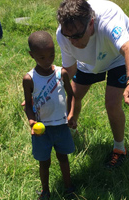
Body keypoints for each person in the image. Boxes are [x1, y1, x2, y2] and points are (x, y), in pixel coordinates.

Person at [56, 0, 129, 169]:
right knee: (73, 95)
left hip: (117, 56)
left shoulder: (108, 21)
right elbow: (69, 69)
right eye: (68, 37)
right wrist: (47, 89)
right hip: (89, 60)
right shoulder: (64, 34)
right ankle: (71, 131)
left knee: (112, 104)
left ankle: (120, 150)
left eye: (76, 36)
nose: (72, 42)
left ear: (91, 23)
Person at [23, 31, 77, 199]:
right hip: (42, 130)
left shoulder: (62, 73)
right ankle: (45, 191)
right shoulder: (29, 79)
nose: (48, 61)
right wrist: (32, 121)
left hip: (61, 126)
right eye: (42, 57)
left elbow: (71, 95)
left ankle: (69, 188)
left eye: (52, 55)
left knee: (63, 157)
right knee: (44, 162)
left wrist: (72, 114)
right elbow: (28, 105)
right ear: (32, 55)